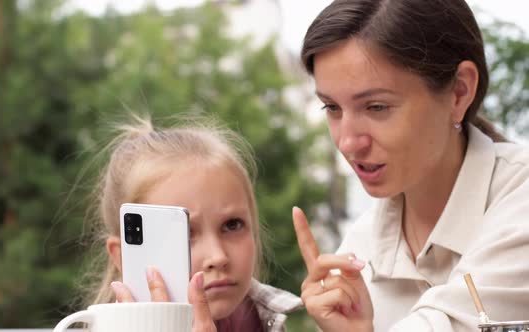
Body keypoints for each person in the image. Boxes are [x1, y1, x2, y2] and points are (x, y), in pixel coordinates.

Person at [291, 0, 529, 331]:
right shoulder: (357, 254)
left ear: (459, 92)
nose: (347, 142)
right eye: (331, 107)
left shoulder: (521, 201)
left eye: (376, 107)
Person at [81, 114, 302, 332]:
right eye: (183, 235)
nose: (218, 257)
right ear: (124, 257)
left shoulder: (267, 321)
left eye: (232, 225)